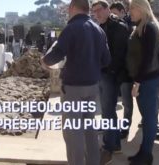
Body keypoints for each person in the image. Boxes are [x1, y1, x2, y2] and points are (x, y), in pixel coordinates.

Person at [41, 0, 111, 164]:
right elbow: (107, 60)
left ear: (72, 8)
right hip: (92, 86)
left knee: (74, 133)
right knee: (89, 129)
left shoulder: (71, 28)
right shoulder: (99, 30)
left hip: (73, 87)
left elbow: (55, 55)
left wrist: (44, 61)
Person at [91, 1, 130, 164]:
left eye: (99, 10)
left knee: (108, 111)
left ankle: (109, 146)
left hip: (110, 75)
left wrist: (108, 72)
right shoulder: (102, 26)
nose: (97, 14)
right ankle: (114, 144)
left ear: (108, 9)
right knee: (107, 111)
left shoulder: (119, 27)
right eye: (94, 12)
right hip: (103, 73)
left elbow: (119, 55)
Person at [126, 0, 159, 164]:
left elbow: (147, 59)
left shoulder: (148, 27)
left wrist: (137, 83)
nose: (130, 11)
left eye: (132, 8)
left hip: (147, 80)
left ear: (141, 8)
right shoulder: (144, 26)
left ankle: (146, 155)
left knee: (149, 119)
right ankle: (143, 152)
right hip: (146, 79)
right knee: (148, 118)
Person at [109, 1, 135, 140]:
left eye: (114, 13)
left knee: (126, 102)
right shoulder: (110, 26)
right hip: (114, 71)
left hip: (126, 71)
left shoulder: (130, 26)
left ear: (122, 11)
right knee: (110, 102)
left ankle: (125, 127)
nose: (112, 16)